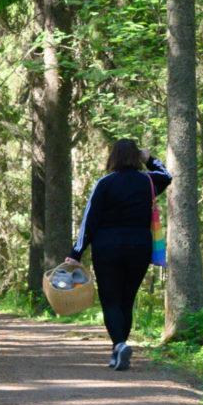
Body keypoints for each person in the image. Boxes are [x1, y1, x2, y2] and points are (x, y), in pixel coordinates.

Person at [66, 139, 171, 370]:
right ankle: (119, 349)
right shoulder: (148, 181)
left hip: (108, 247)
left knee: (110, 299)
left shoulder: (105, 183)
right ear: (136, 157)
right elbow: (167, 175)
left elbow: (89, 221)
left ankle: (119, 345)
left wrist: (76, 252)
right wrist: (149, 158)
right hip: (139, 247)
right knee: (126, 299)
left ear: (113, 157)